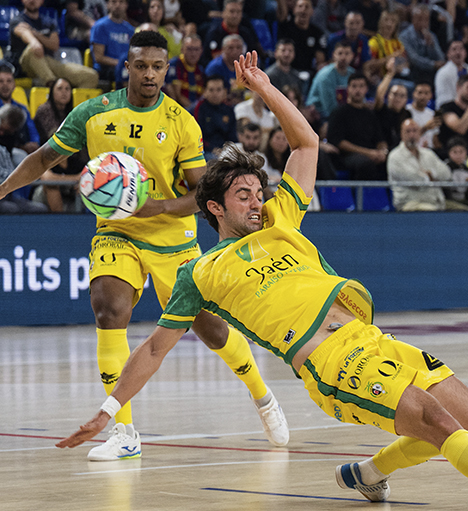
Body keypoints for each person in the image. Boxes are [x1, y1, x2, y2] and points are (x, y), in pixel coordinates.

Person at [56, 52, 468, 511]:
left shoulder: (280, 218)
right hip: (330, 364)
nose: (257, 202)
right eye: (243, 196)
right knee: (438, 421)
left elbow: (307, 143)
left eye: (258, 191)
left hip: (371, 339)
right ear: (214, 207)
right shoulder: (202, 272)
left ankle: (369, 473)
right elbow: (153, 349)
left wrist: (265, 88)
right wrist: (108, 411)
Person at [0, 31, 288, 460]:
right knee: (109, 310)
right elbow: (44, 158)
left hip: (172, 237)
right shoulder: (93, 113)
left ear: (166, 69)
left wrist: (157, 207)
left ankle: (262, 395)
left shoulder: (180, 122)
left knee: (212, 329)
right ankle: (124, 432)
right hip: (116, 233)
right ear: (127, 67)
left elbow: (200, 193)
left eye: (157, 66)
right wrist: (3, 189)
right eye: (141, 66)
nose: (149, 74)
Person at [11, 0, 99, 89]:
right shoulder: (17, 20)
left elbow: (54, 45)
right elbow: (23, 32)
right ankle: (53, 86)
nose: (33, 0)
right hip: (24, 65)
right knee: (32, 50)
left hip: (48, 61)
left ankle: (69, 97)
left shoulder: (48, 22)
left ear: (42, 1)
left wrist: (34, 33)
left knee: (91, 77)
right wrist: (34, 42)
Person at [34, 78, 87, 213]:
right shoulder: (44, 110)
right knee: (51, 186)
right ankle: (59, 224)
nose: (64, 92)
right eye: (60, 88)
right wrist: (75, 179)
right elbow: (47, 178)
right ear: (52, 92)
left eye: (67, 89)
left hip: (70, 165)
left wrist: (82, 178)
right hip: (46, 158)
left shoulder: (74, 114)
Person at [327, 72, 388, 181]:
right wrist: (368, 153)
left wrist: (383, 152)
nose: (358, 90)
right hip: (346, 157)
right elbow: (338, 142)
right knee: (365, 164)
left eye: (361, 86)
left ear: (366, 89)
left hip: (371, 154)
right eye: (354, 86)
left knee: (390, 160)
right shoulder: (339, 112)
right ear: (348, 89)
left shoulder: (370, 114)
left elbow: (380, 139)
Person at [388, 118, 456, 211]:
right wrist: (432, 178)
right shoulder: (395, 157)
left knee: (465, 211)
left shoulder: (428, 154)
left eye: (415, 131)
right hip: (410, 204)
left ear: (419, 133)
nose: (412, 135)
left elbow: (447, 174)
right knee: (432, 212)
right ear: (401, 134)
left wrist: (431, 174)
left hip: (437, 202)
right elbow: (415, 180)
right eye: (408, 131)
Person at [308, 41, 355, 121]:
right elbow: (329, 107)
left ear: (352, 56)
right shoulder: (325, 76)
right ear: (334, 55)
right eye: (340, 53)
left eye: (347, 54)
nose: (343, 57)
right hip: (320, 114)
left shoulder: (353, 73)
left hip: (343, 112)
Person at [399, 4, 445, 85]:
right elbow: (413, 59)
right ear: (413, 19)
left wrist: (431, 45)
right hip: (413, 71)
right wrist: (433, 64)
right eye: (420, 19)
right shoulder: (404, 36)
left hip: (430, 72)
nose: (423, 22)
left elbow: (441, 58)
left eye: (426, 19)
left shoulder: (431, 35)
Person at [90, 0, 135, 82]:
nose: (117, 5)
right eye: (114, 2)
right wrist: (121, 64)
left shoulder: (130, 30)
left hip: (125, 67)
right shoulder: (100, 27)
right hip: (105, 69)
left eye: (121, 2)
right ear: (107, 5)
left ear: (126, 5)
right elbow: (98, 57)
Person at [195, 75, 238, 159]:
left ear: (224, 91)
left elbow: (233, 136)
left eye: (218, 90)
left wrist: (227, 149)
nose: (215, 94)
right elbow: (196, 137)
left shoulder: (229, 109)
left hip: (225, 150)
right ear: (205, 91)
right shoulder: (198, 108)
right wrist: (212, 149)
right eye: (211, 90)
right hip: (205, 151)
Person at [277, 0, 325, 75]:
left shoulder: (317, 33)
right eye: (300, 6)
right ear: (294, 10)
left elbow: (320, 59)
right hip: (287, 70)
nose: (303, 10)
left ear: (312, 11)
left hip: (308, 72)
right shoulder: (285, 28)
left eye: (307, 7)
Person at [165, 34, 206, 110]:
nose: (193, 53)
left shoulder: (201, 70)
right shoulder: (174, 65)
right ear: (182, 49)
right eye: (189, 49)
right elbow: (177, 95)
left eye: (196, 49)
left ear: (201, 51)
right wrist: (192, 111)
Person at [434, 41, 468, 107]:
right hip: (449, 108)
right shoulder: (443, 73)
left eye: (461, 49)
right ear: (448, 54)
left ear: (465, 52)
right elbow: (444, 99)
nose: (458, 52)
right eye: (454, 49)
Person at [406, 83, 440, 149]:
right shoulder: (407, 111)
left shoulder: (432, 114)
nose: (423, 96)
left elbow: (435, 138)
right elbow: (407, 136)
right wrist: (425, 128)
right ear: (414, 94)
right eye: (420, 93)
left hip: (429, 150)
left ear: (431, 95)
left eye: (426, 93)